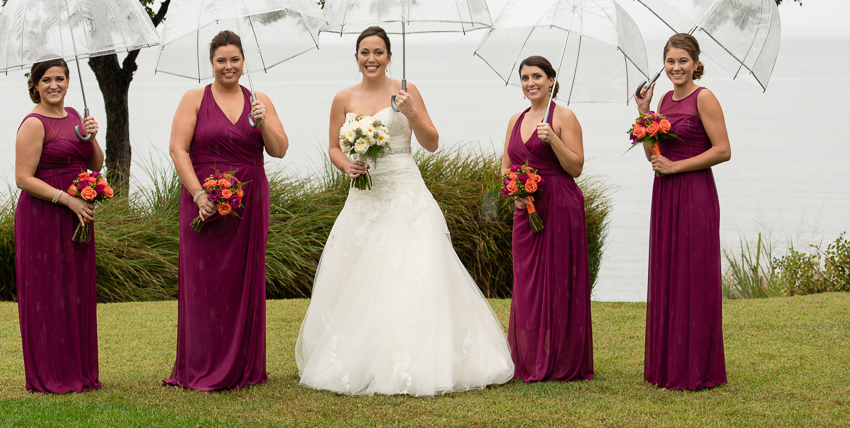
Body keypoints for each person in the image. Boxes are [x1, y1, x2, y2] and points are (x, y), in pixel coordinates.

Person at [295, 26, 514, 396]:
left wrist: (412, 113)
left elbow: (431, 143)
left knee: (411, 268)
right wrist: (346, 165)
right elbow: (334, 146)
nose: (371, 59)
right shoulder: (343, 97)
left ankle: (417, 357)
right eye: (364, 52)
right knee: (359, 272)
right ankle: (361, 353)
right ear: (355, 56)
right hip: (365, 193)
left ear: (389, 56)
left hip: (405, 187)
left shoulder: (406, 92)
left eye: (378, 52)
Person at [163, 30, 288, 391]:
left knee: (243, 278)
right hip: (202, 199)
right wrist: (199, 194)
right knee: (204, 281)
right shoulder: (194, 97)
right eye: (221, 60)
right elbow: (178, 150)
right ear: (211, 62)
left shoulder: (259, 99)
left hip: (251, 199)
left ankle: (244, 366)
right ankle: (201, 365)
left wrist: (263, 119)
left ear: (243, 60)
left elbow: (279, 150)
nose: (228, 66)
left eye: (235, 59)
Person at [635, 33, 730, 390]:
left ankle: (697, 367)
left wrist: (678, 167)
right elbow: (653, 155)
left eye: (683, 61)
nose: (676, 68)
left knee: (694, 274)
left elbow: (723, 150)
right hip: (665, 195)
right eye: (670, 61)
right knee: (669, 272)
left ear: (695, 63)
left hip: (695, 193)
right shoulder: (661, 99)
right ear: (664, 63)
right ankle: (668, 363)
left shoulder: (704, 98)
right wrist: (644, 114)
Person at [501, 55, 594, 382]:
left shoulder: (564, 116)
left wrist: (553, 140)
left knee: (557, 282)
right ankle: (528, 357)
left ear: (552, 80)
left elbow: (576, 167)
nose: (531, 83)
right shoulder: (516, 119)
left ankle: (561, 359)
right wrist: (516, 192)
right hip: (526, 210)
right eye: (525, 77)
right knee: (527, 283)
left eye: (537, 76)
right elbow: (505, 168)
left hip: (560, 205)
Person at [14, 58, 104, 393]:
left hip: (77, 215)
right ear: (35, 85)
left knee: (76, 291)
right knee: (48, 294)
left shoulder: (75, 117)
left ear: (69, 82)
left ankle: (79, 371)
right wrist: (66, 199)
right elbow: (23, 178)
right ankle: (50, 374)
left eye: (60, 79)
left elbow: (94, 164)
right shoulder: (33, 124)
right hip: (43, 216)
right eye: (47, 80)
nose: (54, 85)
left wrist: (92, 138)